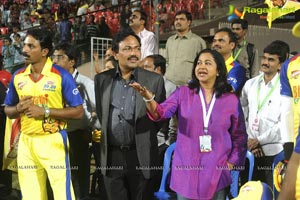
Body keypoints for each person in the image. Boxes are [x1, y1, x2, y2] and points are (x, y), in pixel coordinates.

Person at [130, 49, 248, 199]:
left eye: (207, 63)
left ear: (218, 70)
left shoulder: (230, 100)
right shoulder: (183, 93)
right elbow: (160, 113)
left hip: (216, 172)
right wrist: (148, 98)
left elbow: (239, 136)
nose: (201, 66)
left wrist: (230, 164)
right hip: (186, 170)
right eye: (199, 63)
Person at [3, 28, 83, 200]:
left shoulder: (61, 75)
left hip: (53, 140)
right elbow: (7, 110)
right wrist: (17, 109)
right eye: (24, 45)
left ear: (45, 51)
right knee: (31, 196)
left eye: (31, 46)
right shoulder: (18, 76)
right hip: (26, 142)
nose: (24, 50)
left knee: (62, 193)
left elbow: (78, 111)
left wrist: (44, 111)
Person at [94, 29, 166, 200]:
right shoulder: (101, 80)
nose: (134, 53)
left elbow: (161, 118)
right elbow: (102, 113)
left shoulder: (154, 80)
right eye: (127, 49)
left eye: (137, 48)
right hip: (112, 156)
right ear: (115, 54)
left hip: (141, 155)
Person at [240, 40, 290, 187]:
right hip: (249, 149)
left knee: (270, 192)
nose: (265, 62)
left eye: (271, 59)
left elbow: (284, 123)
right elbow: (241, 109)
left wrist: (259, 140)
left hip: (273, 152)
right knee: (248, 192)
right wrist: (249, 138)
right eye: (264, 58)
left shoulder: (285, 88)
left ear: (280, 64)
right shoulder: (250, 84)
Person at [52, 42, 98, 199]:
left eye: (60, 57)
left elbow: (98, 108)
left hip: (79, 136)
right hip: (58, 135)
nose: (54, 61)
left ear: (72, 61)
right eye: (53, 57)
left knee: (79, 177)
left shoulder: (85, 83)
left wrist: (88, 129)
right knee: (61, 175)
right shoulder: (53, 83)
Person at [142, 54, 177, 145]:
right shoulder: (142, 85)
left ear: (158, 69)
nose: (143, 70)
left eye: (146, 67)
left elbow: (174, 119)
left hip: (160, 140)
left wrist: (169, 142)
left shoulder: (171, 88)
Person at [165, 10, 207, 86]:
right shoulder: (170, 40)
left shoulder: (198, 41)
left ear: (189, 22)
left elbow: (203, 65)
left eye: (182, 19)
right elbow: (167, 61)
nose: (178, 22)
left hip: (188, 85)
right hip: (169, 84)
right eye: (176, 19)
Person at [212, 27, 247, 95]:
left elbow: (227, 92)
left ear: (232, 45)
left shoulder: (237, 69)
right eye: (214, 41)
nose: (216, 44)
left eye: (221, 41)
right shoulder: (208, 66)